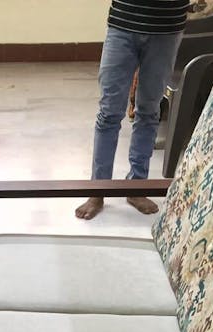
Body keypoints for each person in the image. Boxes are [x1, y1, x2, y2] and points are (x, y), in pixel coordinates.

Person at [76, 0, 189, 220]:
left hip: (167, 29)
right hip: (123, 25)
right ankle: (98, 189)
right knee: (109, 113)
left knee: (149, 111)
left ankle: (137, 186)